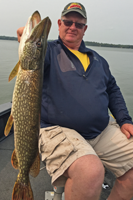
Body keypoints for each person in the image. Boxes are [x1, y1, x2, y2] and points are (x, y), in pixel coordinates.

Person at [17, 2, 133, 200]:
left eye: (78, 24)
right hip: (57, 129)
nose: (73, 27)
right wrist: (27, 39)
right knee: (90, 171)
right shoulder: (48, 52)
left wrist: (125, 119)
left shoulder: (99, 60)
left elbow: (112, 90)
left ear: (85, 29)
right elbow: (33, 61)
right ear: (60, 24)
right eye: (68, 22)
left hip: (100, 131)